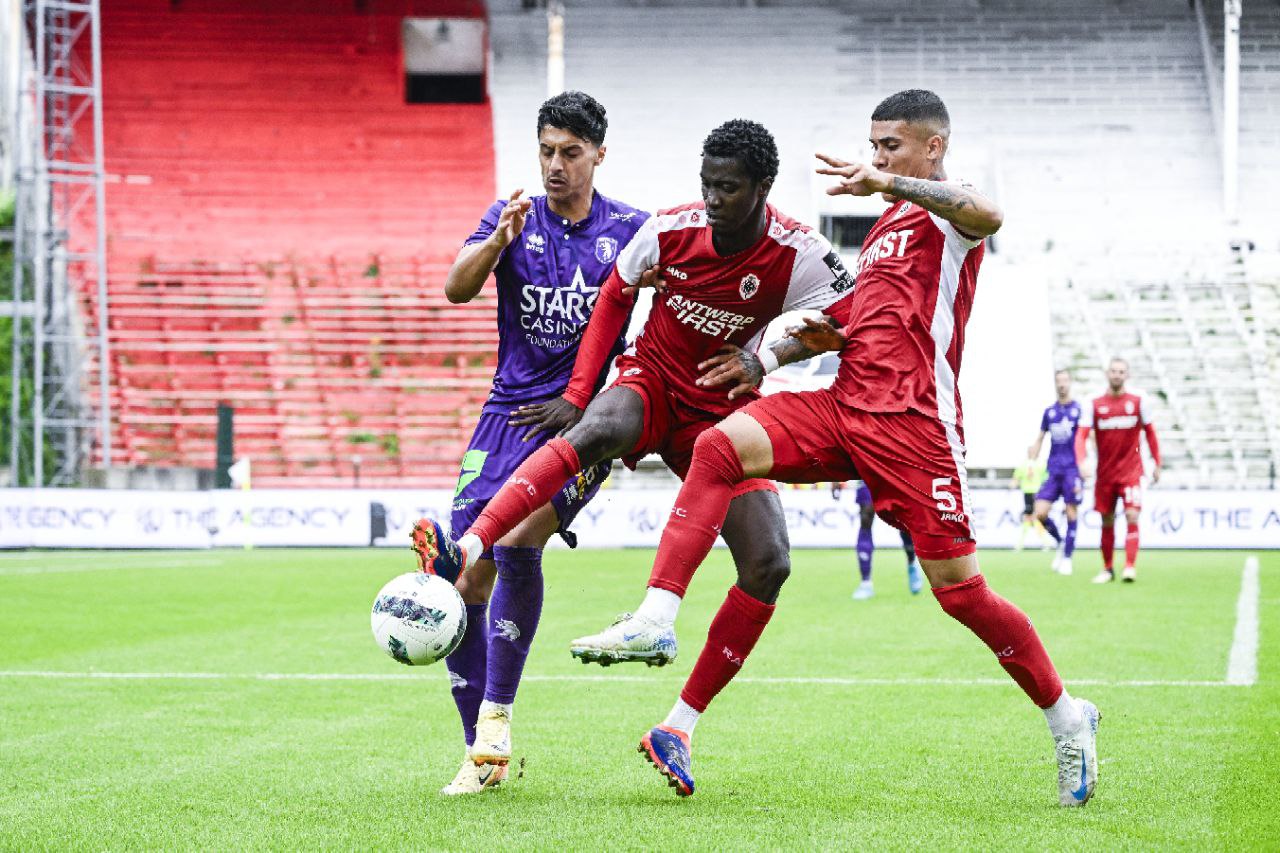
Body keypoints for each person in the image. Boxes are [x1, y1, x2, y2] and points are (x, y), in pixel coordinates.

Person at [577, 90, 1100, 806]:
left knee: (962, 594)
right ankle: (660, 633)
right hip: (844, 405)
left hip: (916, 428)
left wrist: (887, 182)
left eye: (891, 145)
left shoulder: (951, 219)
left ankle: (1069, 716)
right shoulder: (885, 231)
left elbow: (989, 212)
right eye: (874, 146)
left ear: (932, 148)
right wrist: (767, 358)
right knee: (720, 447)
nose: (877, 156)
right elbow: (841, 318)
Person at [413, 117, 855, 771]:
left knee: (770, 562)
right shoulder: (665, 227)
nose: (711, 200)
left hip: (721, 412)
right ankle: (470, 560)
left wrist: (770, 357)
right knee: (584, 440)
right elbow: (612, 298)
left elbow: (856, 311)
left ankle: (674, 726)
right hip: (644, 385)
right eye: (706, 184)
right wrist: (582, 390)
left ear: (762, 188)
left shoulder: (796, 251)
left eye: (727, 188)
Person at [413, 91, 649, 795]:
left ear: (598, 154)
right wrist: (496, 242)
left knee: (516, 542)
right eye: (546, 150)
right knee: (461, 578)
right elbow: (456, 290)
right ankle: (479, 751)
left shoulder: (632, 230)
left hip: (580, 427)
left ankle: (496, 717)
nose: (554, 165)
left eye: (570, 152)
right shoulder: (511, 215)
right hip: (506, 415)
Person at [1075, 357, 1161, 584]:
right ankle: (1108, 568)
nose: (1117, 375)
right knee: (1107, 520)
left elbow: (1151, 433)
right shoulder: (1093, 402)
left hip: (1132, 473)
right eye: (1113, 371)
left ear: (1127, 375)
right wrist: (1082, 460)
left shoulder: (1139, 400)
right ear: (1107, 374)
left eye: (1121, 371)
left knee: (1133, 514)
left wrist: (1157, 463)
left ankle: (1130, 567)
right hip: (1105, 474)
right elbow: (1081, 436)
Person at [1030, 370, 1084, 574]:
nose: (1062, 384)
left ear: (1070, 383)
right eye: (1058, 381)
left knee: (1071, 511)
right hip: (1053, 469)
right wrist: (1034, 450)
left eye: (1065, 381)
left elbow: (1088, 436)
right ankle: (1061, 543)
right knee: (1040, 512)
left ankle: (1068, 558)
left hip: (1072, 469)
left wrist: (1087, 461)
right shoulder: (1050, 412)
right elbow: (1041, 436)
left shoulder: (1079, 410)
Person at [838, 480, 924, 600]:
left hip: (892, 469)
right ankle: (865, 583)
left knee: (901, 519)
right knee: (865, 516)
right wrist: (836, 481)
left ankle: (911, 561)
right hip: (866, 469)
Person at [1011, 448, 1051, 552]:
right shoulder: (1029, 464)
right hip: (1029, 493)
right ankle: (1045, 542)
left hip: (1034, 493)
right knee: (1031, 518)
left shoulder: (1036, 464)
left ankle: (1021, 544)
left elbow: (1047, 477)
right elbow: (1016, 478)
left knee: (1031, 517)